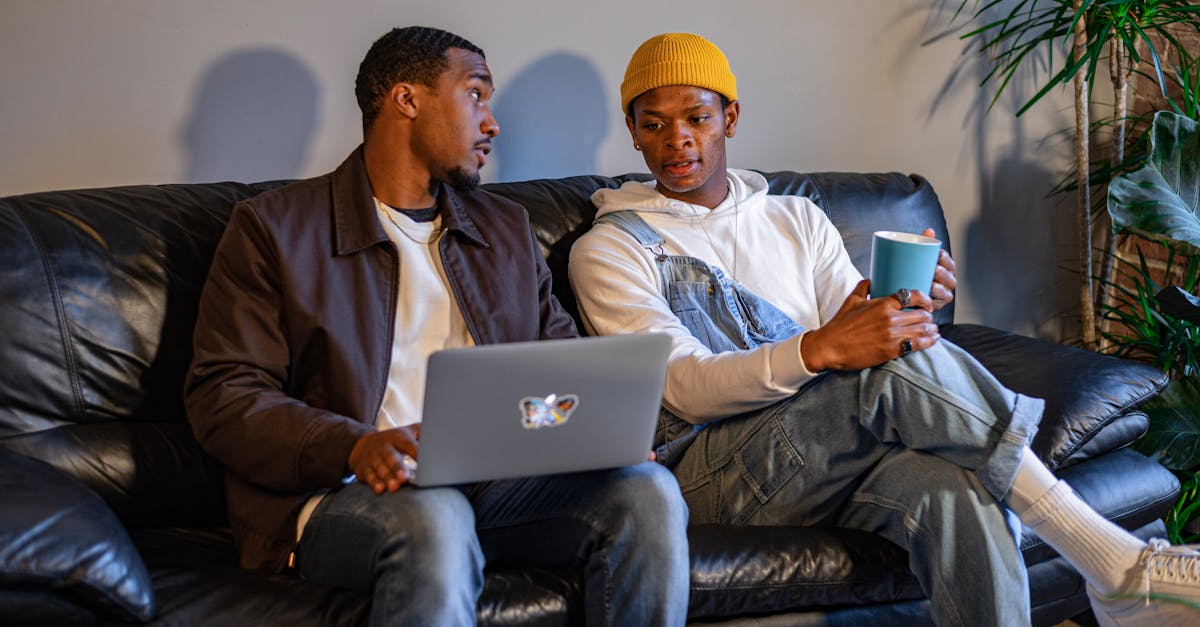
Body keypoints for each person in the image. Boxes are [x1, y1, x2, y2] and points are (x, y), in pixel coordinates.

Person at [568, 32, 1200, 627]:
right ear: (633, 132)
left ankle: (1108, 572)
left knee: (955, 493)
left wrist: (909, 307)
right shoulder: (611, 248)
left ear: (730, 118)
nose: (677, 139)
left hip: (825, 450)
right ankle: (1113, 563)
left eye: (697, 118)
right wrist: (822, 349)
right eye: (655, 124)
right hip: (712, 473)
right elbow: (683, 387)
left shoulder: (796, 218)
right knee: (877, 367)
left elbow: (864, 336)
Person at [185, 26, 689, 627]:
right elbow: (224, 395)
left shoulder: (504, 228)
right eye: (475, 94)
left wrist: (597, 430)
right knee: (437, 516)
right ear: (407, 99)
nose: (492, 123)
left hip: (497, 486)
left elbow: (559, 363)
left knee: (646, 492)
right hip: (343, 495)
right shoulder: (274, 229)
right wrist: (352, 445)